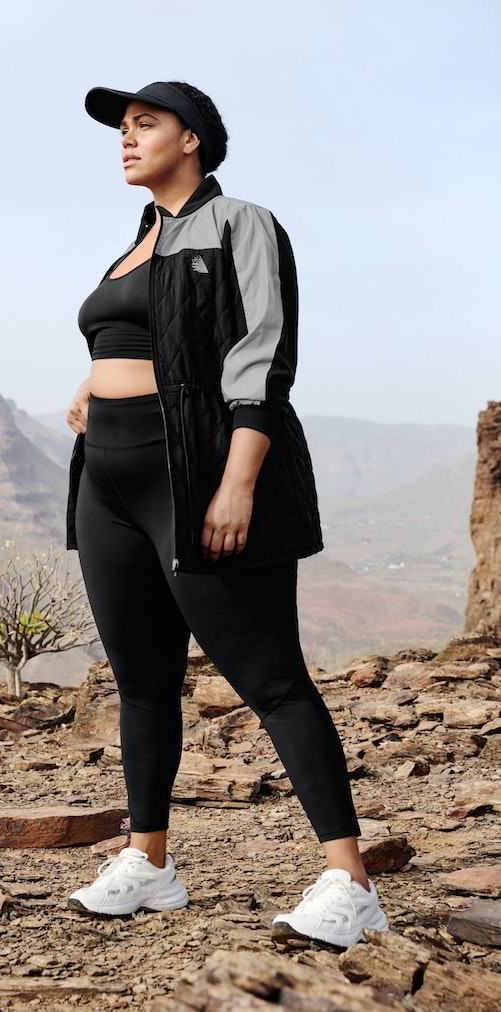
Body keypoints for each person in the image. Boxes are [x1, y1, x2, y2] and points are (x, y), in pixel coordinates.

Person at [64, 81, 388, 949]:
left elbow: (262, 351)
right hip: (105, 483)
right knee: (141, 680)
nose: (126, 139)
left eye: (145, 124)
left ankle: (350, 881)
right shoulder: (139, 238)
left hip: (194, 474)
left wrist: (238, 481)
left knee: (271, 679)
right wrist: (89, 386)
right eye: (121, 128)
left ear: (193, 139)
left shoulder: (240, 223)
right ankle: (149, 863)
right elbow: (142, 339)